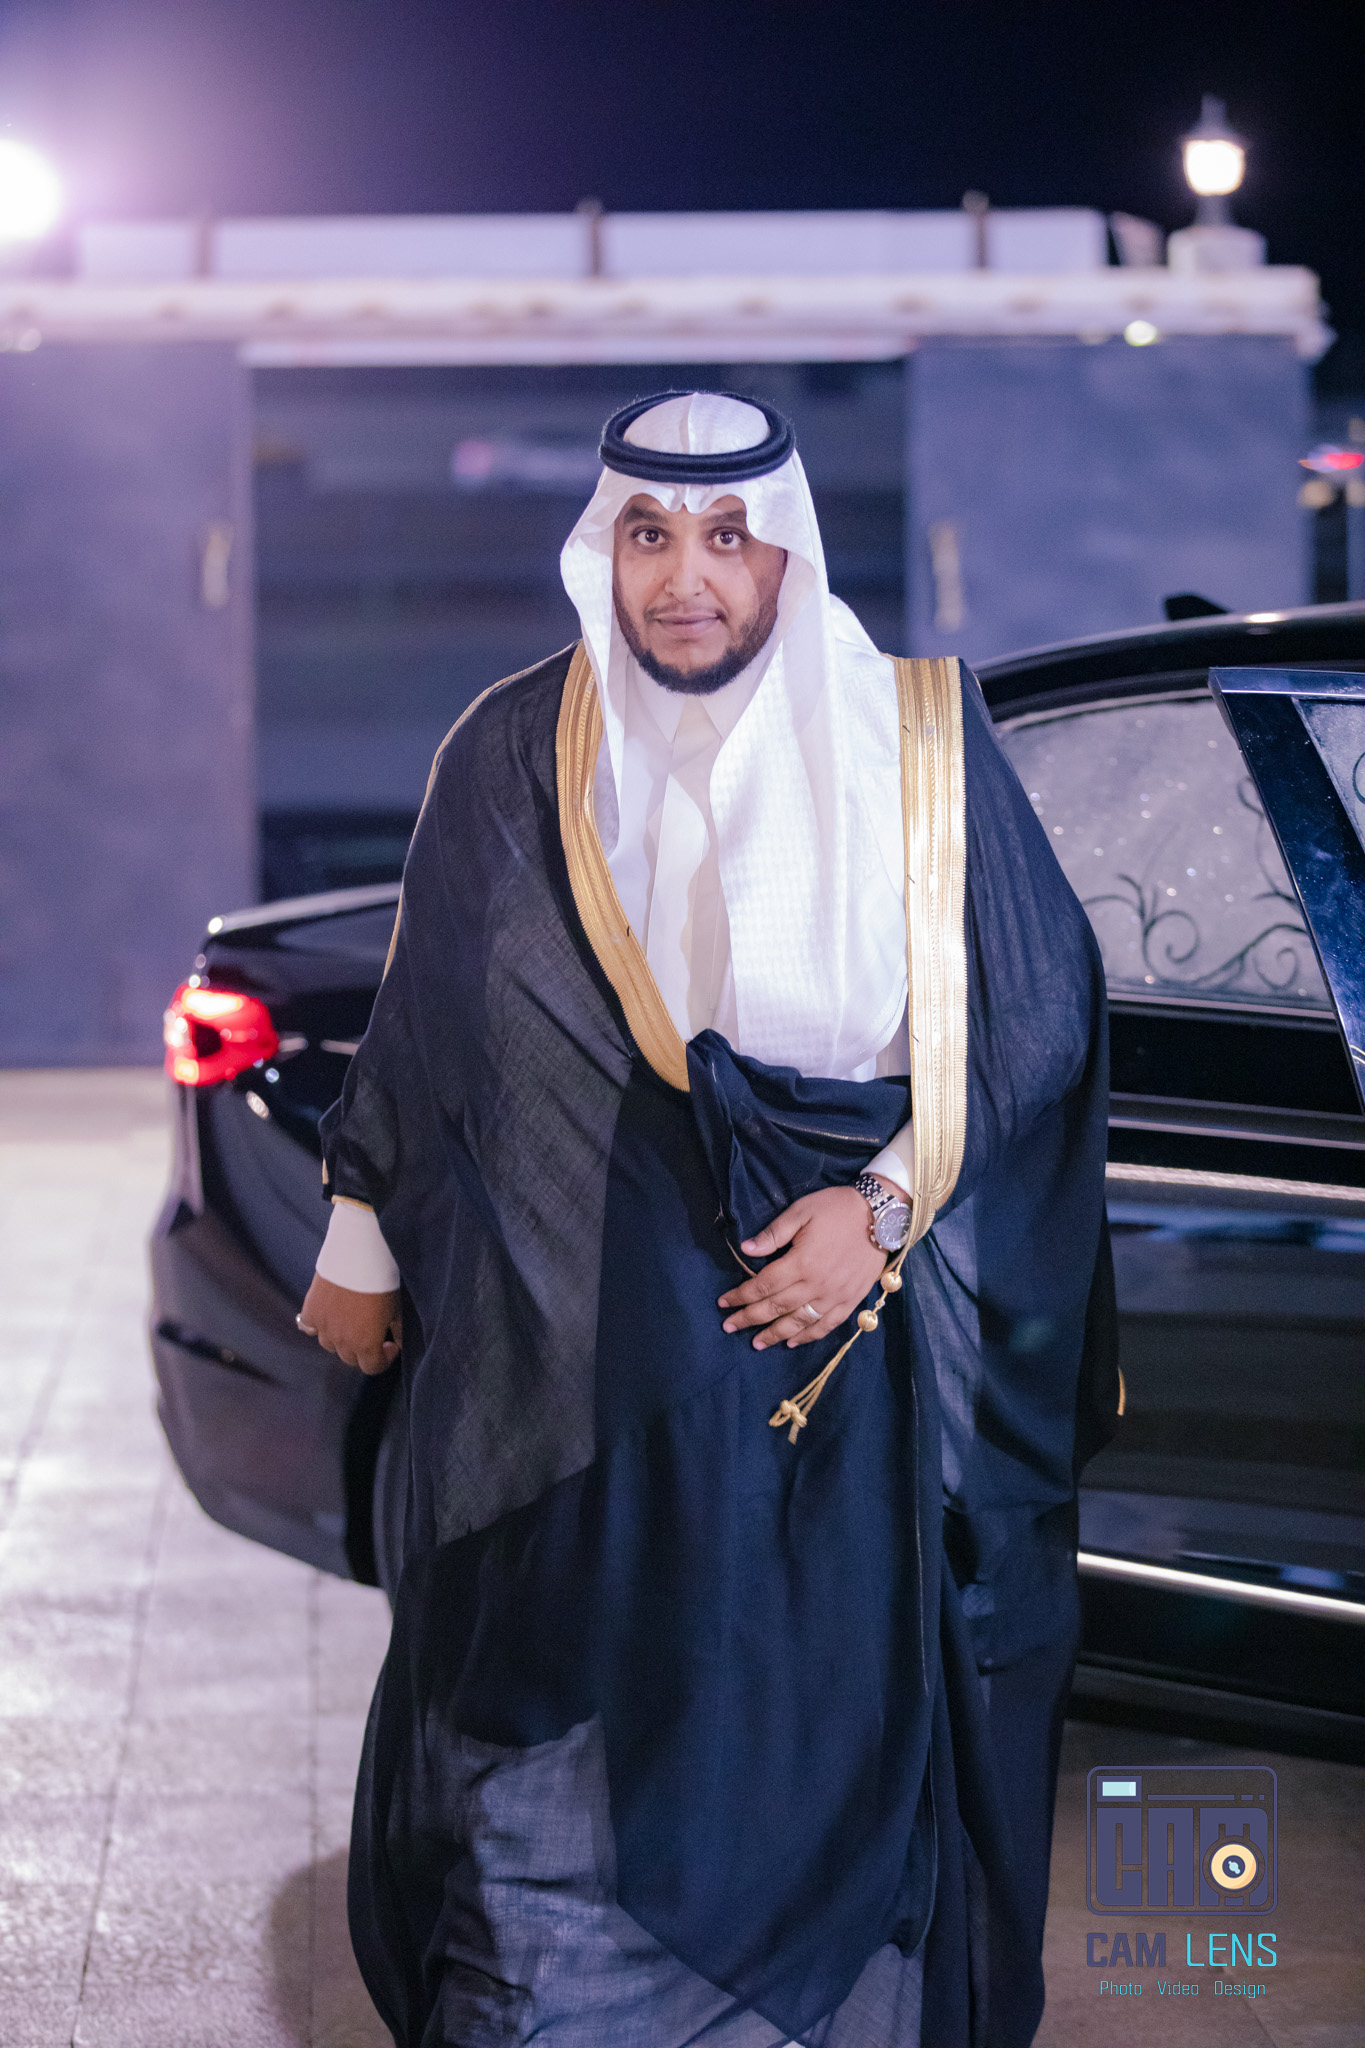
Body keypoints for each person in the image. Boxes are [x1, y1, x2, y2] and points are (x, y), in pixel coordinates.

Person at [298, 390, 1115, 2048]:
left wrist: (877, 1210)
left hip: (844, 1336)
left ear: (785, 552)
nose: (687, 577)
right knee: (567, 1694)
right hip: (580, 1329)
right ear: (601, 551)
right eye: (650, 535)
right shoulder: (515, 744)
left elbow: (1032, 1013)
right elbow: (431, 1019)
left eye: (728, 537)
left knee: (816, 1708)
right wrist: (358, 1248)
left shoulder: (917, 736)